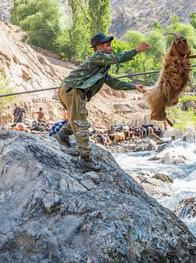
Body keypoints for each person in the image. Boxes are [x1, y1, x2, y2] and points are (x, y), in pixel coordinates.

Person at [53, 32, 150, 171]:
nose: (111, 48)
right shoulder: (98, 56)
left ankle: (63, 134)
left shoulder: (101, 66)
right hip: (73, 89)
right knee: (81, 124)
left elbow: (113, 82)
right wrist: (136, 50)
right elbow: (117, 58)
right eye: (108, 45)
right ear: (99, 47)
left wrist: (134, 86)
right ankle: (85, 160)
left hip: (70, 89)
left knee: (80, 116)